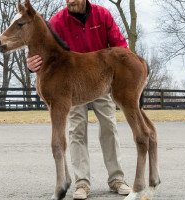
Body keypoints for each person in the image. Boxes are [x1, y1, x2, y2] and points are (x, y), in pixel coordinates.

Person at [27, 0, 131, 199]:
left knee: (109, 125)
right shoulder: (57, 21)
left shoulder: (102, 15)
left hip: (100, 79)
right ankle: (82, 182)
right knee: (76, 129)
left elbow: (120, 46)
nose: (69, 1)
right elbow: (43, 48)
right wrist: (31, 64)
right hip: (71, 83)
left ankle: (116, 178)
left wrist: (124, 71)